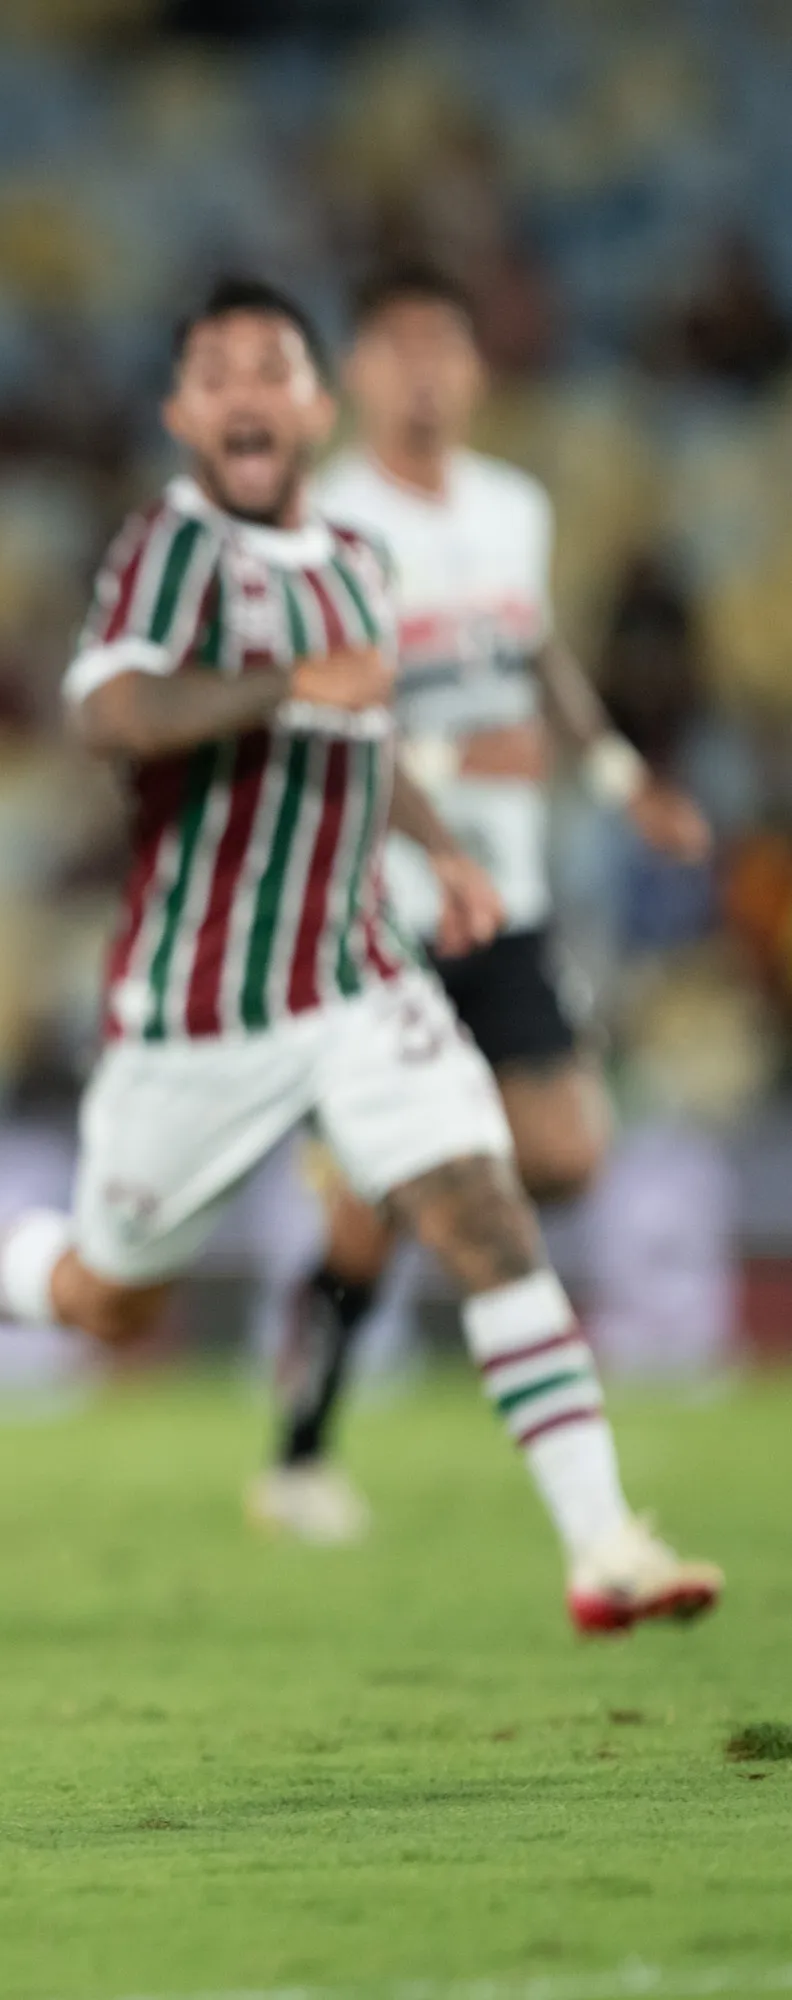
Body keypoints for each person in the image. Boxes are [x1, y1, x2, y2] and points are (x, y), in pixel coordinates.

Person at [0, 275, 720, 1639]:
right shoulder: (167, 553)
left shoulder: (361, 565)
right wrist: (281, 682)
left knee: (486, 1213)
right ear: (186, 412)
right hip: (199, 1010)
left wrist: (443, 847)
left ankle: (604, 1544)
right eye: (215, 372)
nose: (245, 392)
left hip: (360, 975)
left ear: (310, 406)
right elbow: (115, 714)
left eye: (270, 368)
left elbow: (356, 740)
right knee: (111, 1298)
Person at [249, 266, 713, 1545]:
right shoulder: (331, 523)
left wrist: (619, 776)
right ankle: (297, 1457)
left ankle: (397, 1176)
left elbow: (534, 653)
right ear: (356, 377)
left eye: (443, 348)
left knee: (565, 1152)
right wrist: (457, 765)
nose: (423, 372)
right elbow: (307, 713)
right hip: (378, 901)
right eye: (396, 349)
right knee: (401, 1192)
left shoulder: (516, 509)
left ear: (476, 371)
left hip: (502, 897)